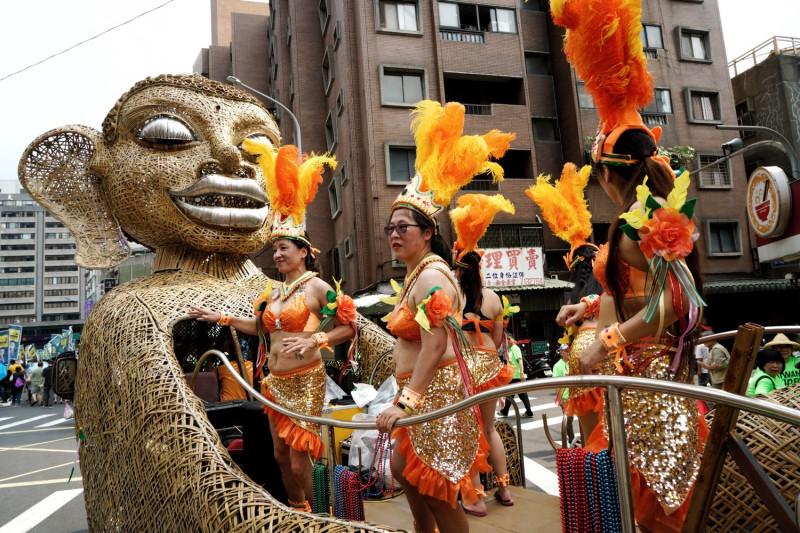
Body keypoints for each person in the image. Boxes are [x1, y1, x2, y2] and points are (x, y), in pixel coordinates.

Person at [551, 0, 707, 529]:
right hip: (642, 384)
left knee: (655, 518)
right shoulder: (648, 218)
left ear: (606, 176)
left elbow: (677, 302)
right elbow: (647, 289)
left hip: (649, 388)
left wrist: (607, 340)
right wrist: (594, 307)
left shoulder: (640, 223)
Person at [189, 138, 354, 513]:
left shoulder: (317, 287)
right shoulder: (275, 292)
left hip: (305, 380)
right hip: (274, 384)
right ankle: (300, 511)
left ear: (304, 251)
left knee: (300, 461)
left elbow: (350, 326)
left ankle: (325, 520)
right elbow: (262, 330)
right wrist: (222, 318)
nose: (277, 255)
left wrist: (316, 341)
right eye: (274, 249)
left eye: (284, 248)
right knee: (280, 457)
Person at [375, 100, 514, 533]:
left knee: (437, 489)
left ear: (429, 232)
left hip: (434, 396)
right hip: (422, 392)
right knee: (405, 471)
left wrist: (407, 400)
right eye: (391, 228)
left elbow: (436, 343)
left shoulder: (432, 275)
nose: (395, 234)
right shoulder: (420, 273)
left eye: (405, 227)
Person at [526, 163, 607, 443]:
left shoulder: (576, 303)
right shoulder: (610, 289)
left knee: (592, 439)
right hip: (611, 344)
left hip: (582, 347)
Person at [450, 193, 517, 514]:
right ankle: (504, 490)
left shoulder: (450, 296)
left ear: (457, 266)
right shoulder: (494, 299)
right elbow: (500, 338)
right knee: (490, 428)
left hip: (463, 367)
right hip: (490, 366)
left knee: (467, 430)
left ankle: (475, 496)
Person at [500, 337, 533, 418]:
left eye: (505, 342)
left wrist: (522, 373)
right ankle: (528, 411)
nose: (504, 344)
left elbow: (520, 361)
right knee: (520, 394)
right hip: (512, 375)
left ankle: (505, 411)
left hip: (516, 375)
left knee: (512, 394)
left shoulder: (515, 348)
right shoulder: (510, 349)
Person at [551, 344, 575, 446]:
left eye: (569, 350)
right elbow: (556, 383)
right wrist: (559, 398)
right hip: (565, 396)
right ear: (561, 353)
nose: (569, 352)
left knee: (574, 418)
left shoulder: (573, 363)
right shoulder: (557, 366)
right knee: (568, 419)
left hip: (575, 395)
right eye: (566, 351)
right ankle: (572, 439)